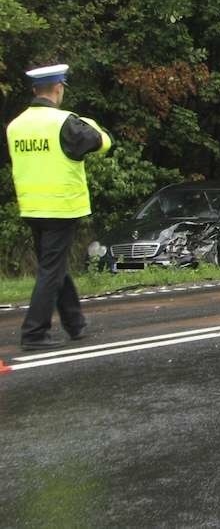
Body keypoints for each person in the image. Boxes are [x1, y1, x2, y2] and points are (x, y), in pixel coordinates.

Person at [6, 64, 113, 350]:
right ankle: (34, 333)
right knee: (51, 270)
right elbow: (102, 143)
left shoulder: (15, 125)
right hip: (61, 206)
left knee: (53, 265)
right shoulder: (65, 122)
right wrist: (88, 121)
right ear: (58, 88)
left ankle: (75, 324)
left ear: (34, 90)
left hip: (31, 207)